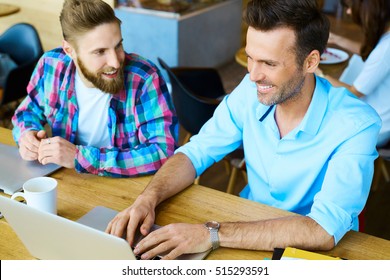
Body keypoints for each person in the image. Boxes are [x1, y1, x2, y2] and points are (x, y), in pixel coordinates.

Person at [106, 0, 381, 259]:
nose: (253, 75)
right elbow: (196, 152)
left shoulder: (356, 124)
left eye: (269, 63)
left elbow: (322, 229)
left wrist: (211, 233)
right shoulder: (250, 91)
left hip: (308, 252)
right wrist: (147, 199)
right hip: (244, 228)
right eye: (251, 58)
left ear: (310, 62)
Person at [12, 0, 178, 177]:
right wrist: (27, 136)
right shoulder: (51, 65)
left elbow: (163, 152)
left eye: (118, 46)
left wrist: (80, 157)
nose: (115, 62)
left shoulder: (144, 78)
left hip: (126, 188)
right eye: (100, 52)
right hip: (69, 181)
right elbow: (26, 112)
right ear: (69, 50)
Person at [317, 0, 390, 147]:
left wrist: (319, 74)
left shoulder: (386, 49)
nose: (349, 12)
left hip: (376, 126)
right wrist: (337, 39)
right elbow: (371, 53)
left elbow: (353, 92)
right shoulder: (386, 40)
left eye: (351, 8)